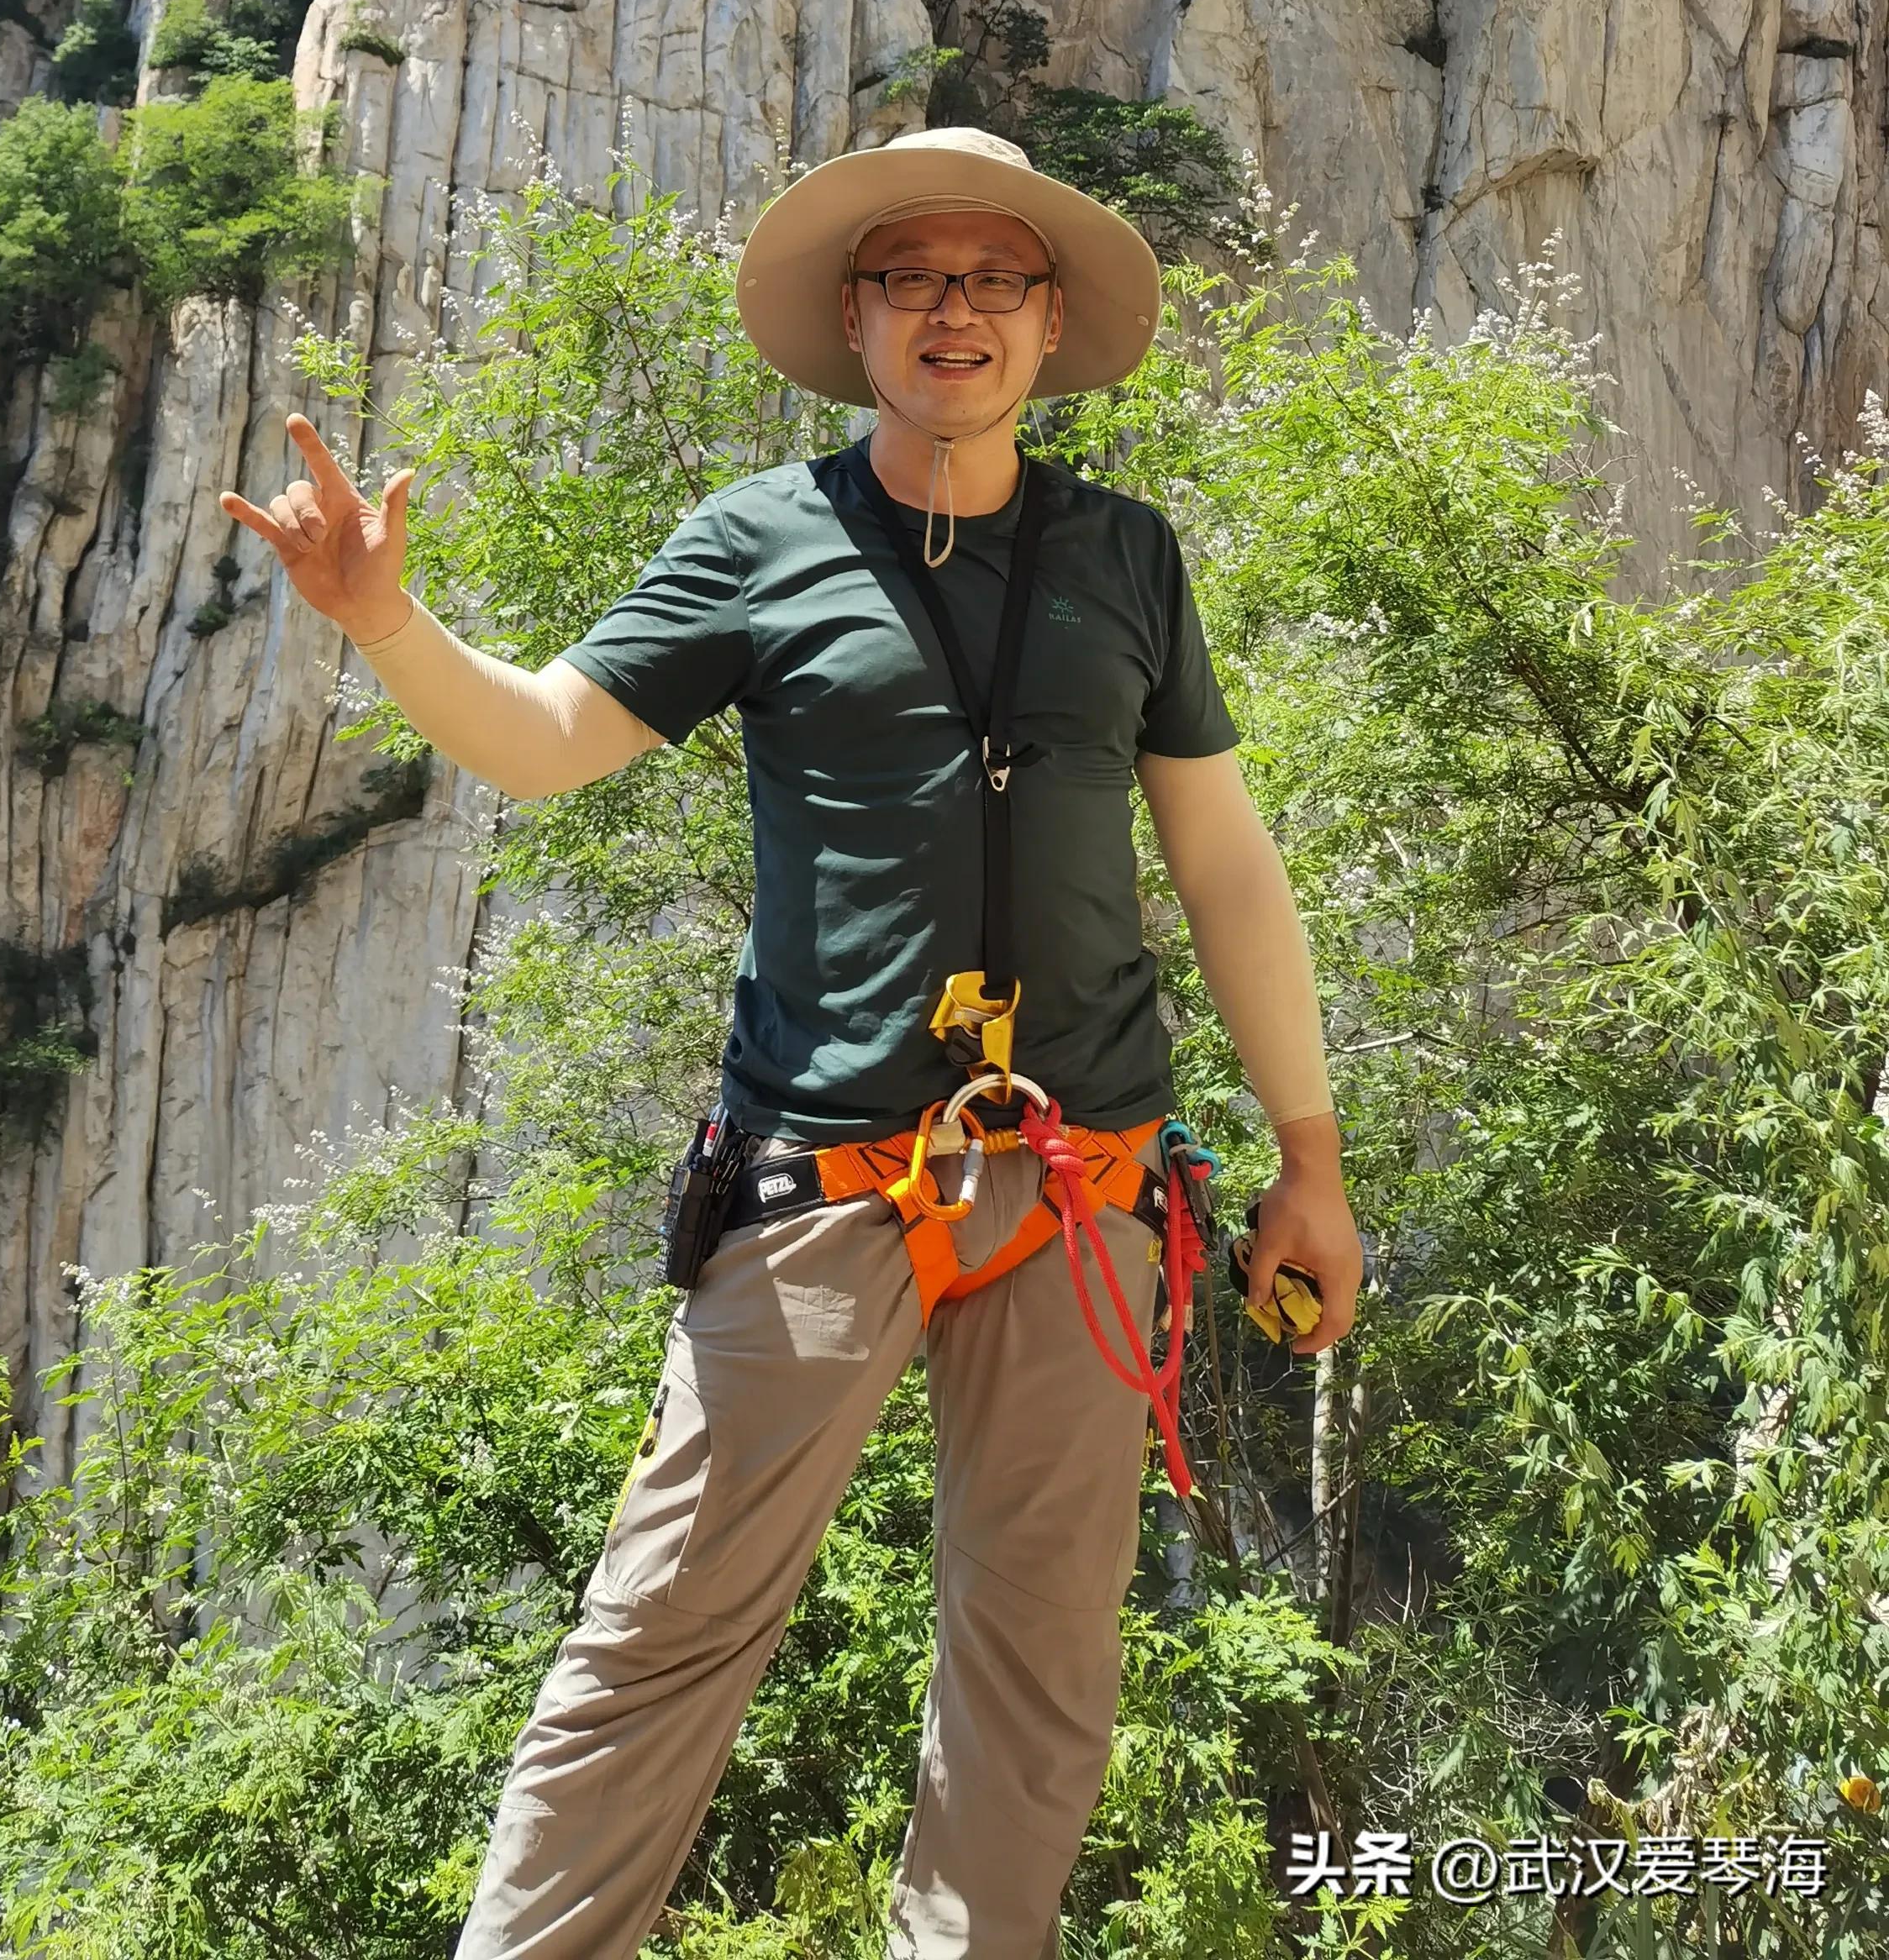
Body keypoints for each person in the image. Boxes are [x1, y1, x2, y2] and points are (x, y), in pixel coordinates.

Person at [222, 125, 1361, 1959]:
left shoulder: (1127, 557)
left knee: (1043, 1656)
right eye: (913, 275)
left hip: (1090, 1184)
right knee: (665, 1629)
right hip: (827, 1171)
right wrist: (385, 620)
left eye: (996, 277)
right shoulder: (763, 538)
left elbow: (1223, 857)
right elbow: (549, 739)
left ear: (1051, 321)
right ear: (858, 316)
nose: (955, 310)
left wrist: (1308, 1158)